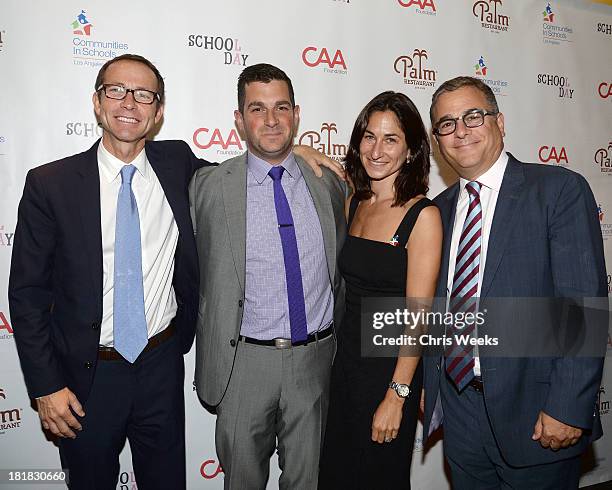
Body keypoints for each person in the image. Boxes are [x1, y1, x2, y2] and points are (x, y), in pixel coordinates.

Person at [8, 54, 340, 490]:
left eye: (143, 94)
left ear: (158, 110)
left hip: (160, 367)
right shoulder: (50, 183)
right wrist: (46, 385)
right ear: (97, 102)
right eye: (117, 91)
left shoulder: (177, 164)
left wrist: (293, 150)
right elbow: (28, 294)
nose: (129, 103)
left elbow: (255, 165)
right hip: (86, 377)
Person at [421, 76, 607, 489]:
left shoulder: (558, 190)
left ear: (500, 122)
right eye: (446, 124)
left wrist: (568, 407)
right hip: (460, 412)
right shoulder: (439, 210)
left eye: (473, 116)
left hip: (537, 412)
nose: (461, 130)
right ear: (437, 139)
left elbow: (582, 307)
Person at [190, 63, 346, 490]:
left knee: (307, 481)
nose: (271, 120)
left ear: (296, 114)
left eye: (281, 108)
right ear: (239, 120)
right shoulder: (207, 185)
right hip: (243, 364)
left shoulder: (331, 185)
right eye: (257, 109)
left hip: (314, 361)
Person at [318, 91, 442, 489]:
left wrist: (396, 396)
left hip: (389, 371)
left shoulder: (423, 215)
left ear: (410, 149)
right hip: (343, 368)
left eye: (391, 139)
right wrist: (302, 150)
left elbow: (419, 317)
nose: (376, 149)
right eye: (369, 136)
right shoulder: (355, 201)